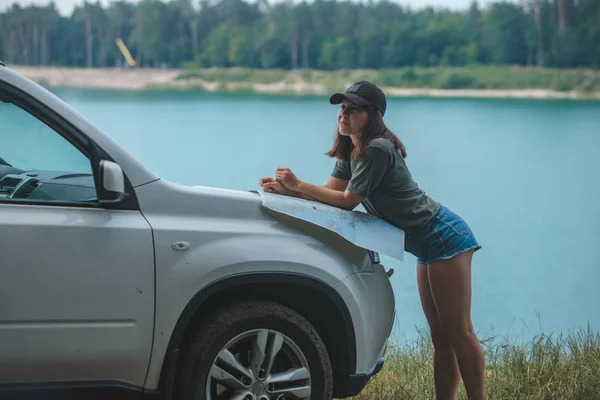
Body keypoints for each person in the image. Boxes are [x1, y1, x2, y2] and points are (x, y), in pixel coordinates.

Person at [259, 80, 485, 400]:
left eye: (354, 109)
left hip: (445, 237)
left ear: (373, 115)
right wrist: (287, 191)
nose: (344, 114)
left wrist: (297, 185)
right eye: (342, 108)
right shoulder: (352, 149)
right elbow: (332, 195)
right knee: (441, 337)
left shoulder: (378, 147)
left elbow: (348, 201)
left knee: (459, 332)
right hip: (425, 244)